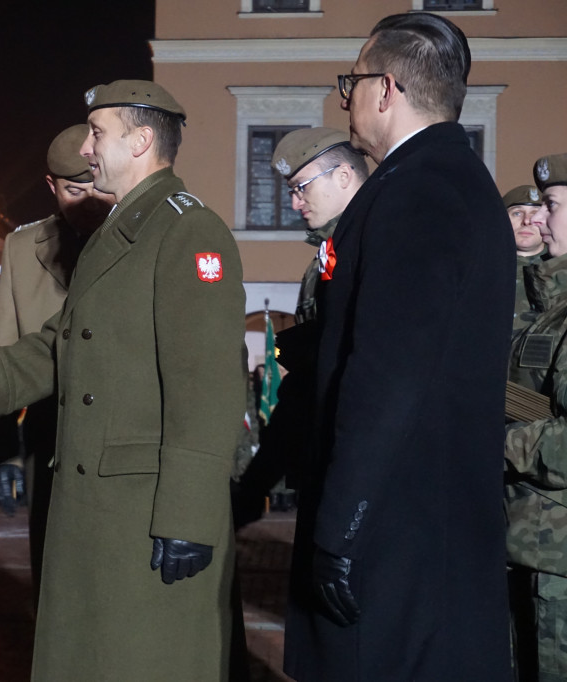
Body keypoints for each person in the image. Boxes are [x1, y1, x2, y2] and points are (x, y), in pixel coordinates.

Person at [0, 79, 247, 680]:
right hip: (99, 510)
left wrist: (188, 518)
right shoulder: (118, 232)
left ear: (142, 141)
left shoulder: (187, 231)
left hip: (145, 515)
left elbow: (205, 387)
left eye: (99, 135)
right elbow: (58, 346)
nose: (88, 151)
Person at [284, 13, 515, 681]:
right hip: (422, 526)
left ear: (385, 89)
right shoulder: (448, 180)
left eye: (350, 83)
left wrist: (341, 527)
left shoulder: (419, 191)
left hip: (398, 534)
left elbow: (388, 374)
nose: (344, 97)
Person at [0, 123, 113, 600]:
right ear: (51, 186)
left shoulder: (143, 242)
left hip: (119, 444)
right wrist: (0, 451)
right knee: (53, 587)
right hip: (49, 442)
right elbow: (2, 351)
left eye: (98, 186)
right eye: (74, 190)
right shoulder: (22, 248)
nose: (88, 202)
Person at [233, 129, 368, 525]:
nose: (294, 203)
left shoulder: (375, 249)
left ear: (343, 176)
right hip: (324, 466)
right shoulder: (327, 256)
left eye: (301, 188)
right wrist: (257, 482)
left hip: (356, 481)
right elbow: (306, 390)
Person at [505, 153, 567, 682]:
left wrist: (495, 440)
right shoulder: (551, 302)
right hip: (532, 541)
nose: (538, 219)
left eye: (550, 206)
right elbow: (537, 400)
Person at [504, 184, 547, 332]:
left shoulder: (559, 267)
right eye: (517, 213)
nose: (527, 221)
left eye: (535, 213)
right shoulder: (481, 266)